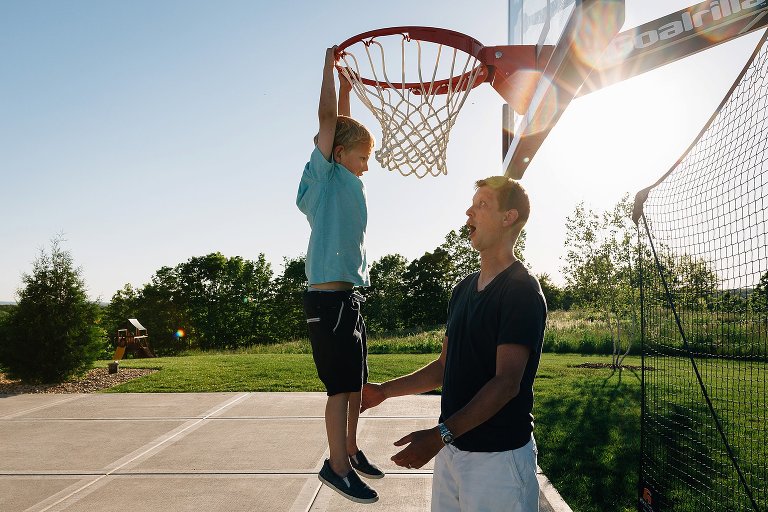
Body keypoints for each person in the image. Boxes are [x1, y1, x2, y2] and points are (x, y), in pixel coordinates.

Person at [362, 176, 547, 512]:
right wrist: (384, 391)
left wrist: (438, 435)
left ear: (509, 217)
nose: (468, 212)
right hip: (452, 452)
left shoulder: (521, 290)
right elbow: (445, 366)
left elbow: (506, 383)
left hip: (498, 461)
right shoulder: (462, 290)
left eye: (482, 205)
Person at [296, 46, 383, 505]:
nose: (367, 164)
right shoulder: (324, 176)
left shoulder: (347, 178)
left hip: (348, 299)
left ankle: (350, 449)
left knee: (356, 385)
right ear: (338, 153)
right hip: (327, 301)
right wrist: (329, 70)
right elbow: (329, 121)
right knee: (338, 390)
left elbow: (343, 126)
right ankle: (336, 467)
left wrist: (350, 88)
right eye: (363, 156)